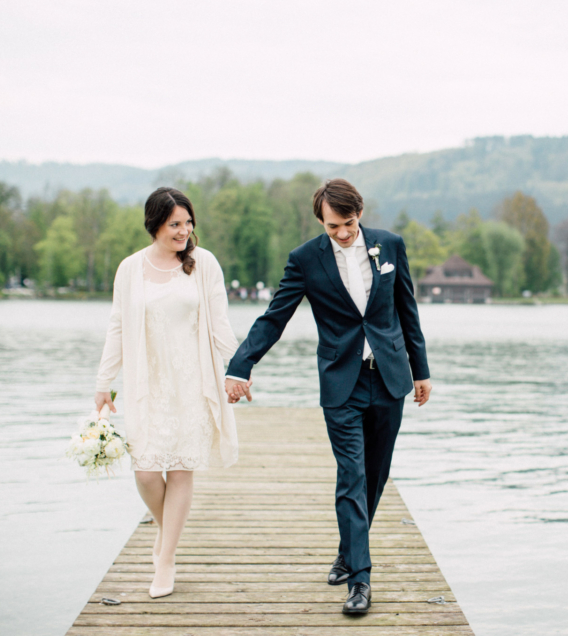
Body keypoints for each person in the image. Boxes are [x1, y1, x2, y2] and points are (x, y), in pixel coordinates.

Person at [224, 178, 432, 614]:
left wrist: (421, 372)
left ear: (360, 214)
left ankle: (346, 552)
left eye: (349, 223)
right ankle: (360, 579)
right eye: (333, 226)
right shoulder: (305, 259)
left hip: (390, 378)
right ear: (321, 220)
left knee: (375, 477)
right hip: (342, 382)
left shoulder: (389, 246)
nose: (342, 233)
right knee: (351, 477)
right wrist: (242, 364)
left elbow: (407, 311)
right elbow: (274, 317)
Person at [94, 187, 240, 599]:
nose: (184, 231)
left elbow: (220, 323)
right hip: (147, 384)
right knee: (145, 471)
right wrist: (103, 382)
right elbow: (117, 325)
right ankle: (166, 534)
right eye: (175, 224)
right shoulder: (130, 269)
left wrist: (240, 368)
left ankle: (166, 558)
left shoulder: (203, 263)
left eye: (188, 223)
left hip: (192, 384)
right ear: (155, 224)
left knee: (178, 470)